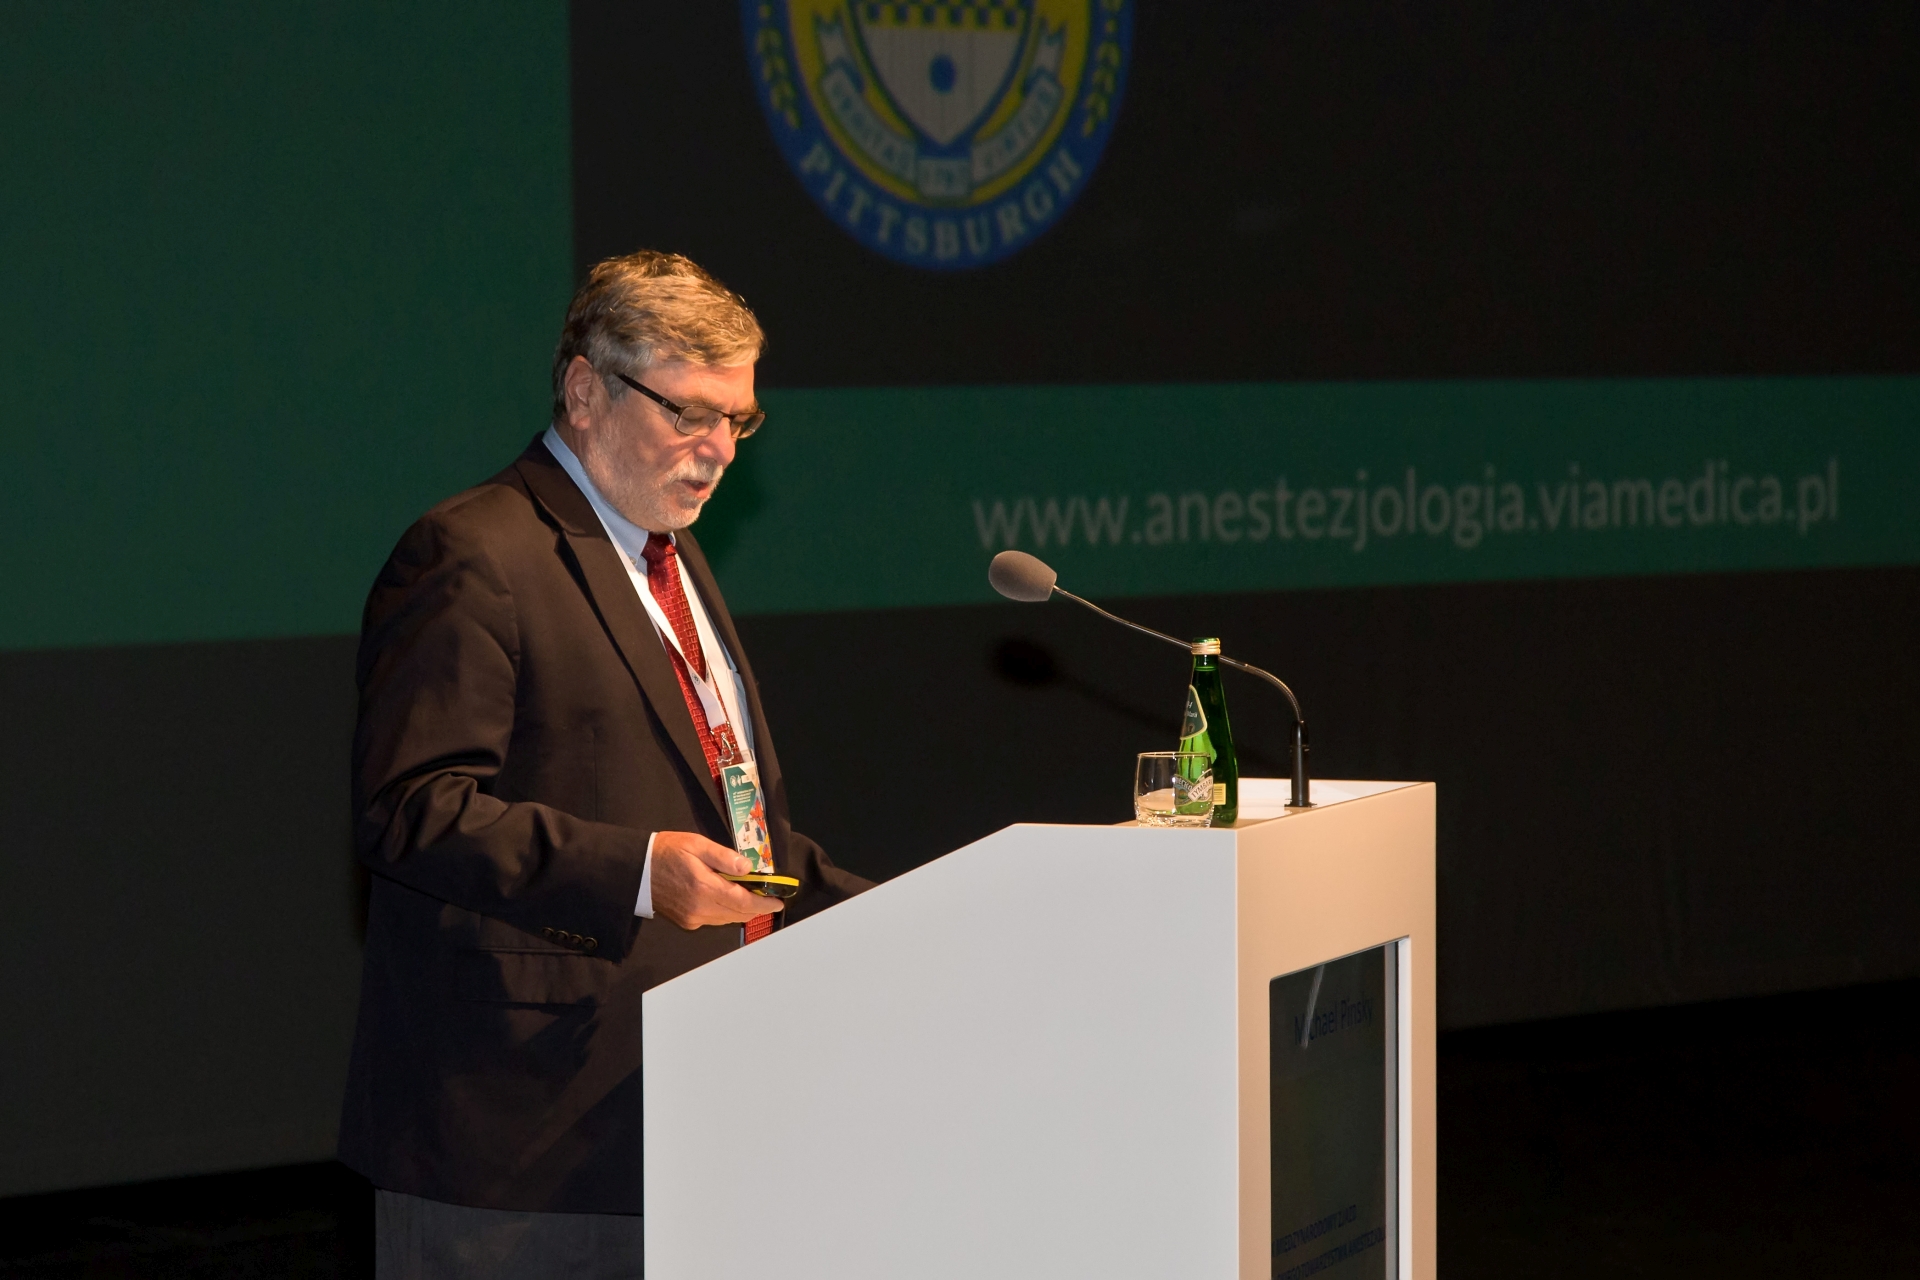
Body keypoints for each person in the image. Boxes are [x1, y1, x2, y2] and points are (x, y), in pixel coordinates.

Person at [337, 250, 870, 1278]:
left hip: (690, 1116)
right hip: (517, 1145)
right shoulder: (473, 552)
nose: (720, 451)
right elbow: (411, 808)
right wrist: (638, 872)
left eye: (740, 420)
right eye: (690, 414)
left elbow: (739, 826)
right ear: (586, 391)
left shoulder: (672, 555)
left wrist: (916, 910)